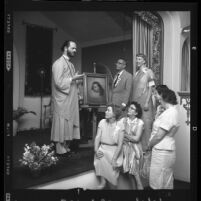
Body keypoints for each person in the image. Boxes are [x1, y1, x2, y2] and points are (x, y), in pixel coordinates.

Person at [51, 40, 83, 155]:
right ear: (65, 48)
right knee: (62, 122)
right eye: (73, 48)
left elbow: (71, 81)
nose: (75, 50)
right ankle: (59, 148)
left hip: (70, 100)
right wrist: (73, 79)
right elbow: (58, 82)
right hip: (62, 101)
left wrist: (77, 81)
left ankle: (65, 145)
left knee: (69, 122)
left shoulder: (71, 64)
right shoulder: (58, 63)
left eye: (75, 49)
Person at [147, 88, 180, 189]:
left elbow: (159, 135)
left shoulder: (170, 113)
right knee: (164, 180)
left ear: (163, 96)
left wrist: (149, 145)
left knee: (158, 182)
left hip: (163, 151)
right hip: (163, 150)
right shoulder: (168, 112)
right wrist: (157, 114)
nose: (155, 96)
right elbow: (156, 128)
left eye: (156, 94)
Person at [94, 105, 124, 189]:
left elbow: (120, 144)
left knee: (113, 181)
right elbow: (97, 137)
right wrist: (96, 150)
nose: (105, 112)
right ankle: (103, 183)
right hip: (103, 148)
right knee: (100, 157)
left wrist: (114, 159)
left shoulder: (120, 124)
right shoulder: (102, 122)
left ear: (114, 114)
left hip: (115, 151)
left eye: (108, 110)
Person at [131, 53, 155, 152]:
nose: (137, 61)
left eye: (139, 59)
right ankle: (138, 150)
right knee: (136, 125)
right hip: (136, 102)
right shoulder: (136, 73)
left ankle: (147, 149)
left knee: (146, 125)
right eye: (137, 59)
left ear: (144, 61)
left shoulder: (149, 72)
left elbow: (151, 88)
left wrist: (146, 102)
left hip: (145, 101)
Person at [118, 101, 144, 189]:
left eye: (132, 108)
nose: (129, 109)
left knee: (136, 177)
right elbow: (117, 133)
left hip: (135, 151)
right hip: (125, 149)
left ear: (136, 113)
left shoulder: (140, 122)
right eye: (129, 107)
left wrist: (124, 135)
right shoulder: (123, 120)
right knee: (130, 175)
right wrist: (128, 137)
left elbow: (136, 139)